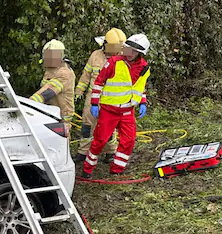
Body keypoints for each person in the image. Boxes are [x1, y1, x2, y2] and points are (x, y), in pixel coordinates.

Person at [81, 34, 151, 178]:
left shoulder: (144, 67)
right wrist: (94, 103)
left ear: (140, 53)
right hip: (109, 110)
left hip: (127, 110)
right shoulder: (114, 62)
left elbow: (139, 87)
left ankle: (117, 169)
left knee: (129, 140)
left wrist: (142, 101)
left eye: (133, 51)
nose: (129, 53)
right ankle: (87, 169)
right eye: (128, 49)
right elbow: (99, 82)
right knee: (100, 140)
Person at [73, 28, 126, 162]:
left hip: (111, 99)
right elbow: (86, 75)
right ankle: (83, 152)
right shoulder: (95, 56)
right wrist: (79, 91)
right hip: (92, 98)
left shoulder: (123, 59)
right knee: (87, 126)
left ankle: (110, 152)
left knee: (110, 127)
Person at [30, 39, 75, 133]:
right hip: (50, 113)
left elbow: (47, 93)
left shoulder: (64, 73)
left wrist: (28, 104)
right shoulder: (51, 69)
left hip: (61, 117)